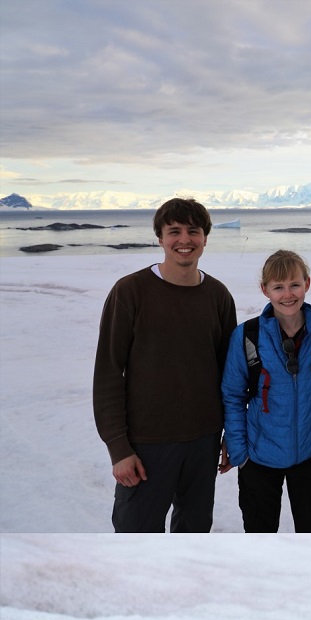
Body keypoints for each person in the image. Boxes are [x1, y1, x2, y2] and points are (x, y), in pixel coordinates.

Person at [93, 197, 237, 533]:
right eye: (174, 231)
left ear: (205, 237)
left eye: (193, 231)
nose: (184, 240)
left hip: (203, 441)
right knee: (136, 534)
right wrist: (118, 448)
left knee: (194, 533)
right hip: (146, 444)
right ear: (160, 238)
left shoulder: (217, 296)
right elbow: (108, 373)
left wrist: (233, 432)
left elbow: (231, 375)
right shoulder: (130, 292)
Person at [221, 250, 311, 532]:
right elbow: (233, 395)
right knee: (260, 535)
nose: (287, 294)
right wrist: (240, 451)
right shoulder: (247, 336)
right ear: (265, 290)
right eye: (278, 287)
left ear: (307, 284)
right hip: (259, 456)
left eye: (294, 285)